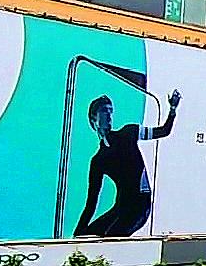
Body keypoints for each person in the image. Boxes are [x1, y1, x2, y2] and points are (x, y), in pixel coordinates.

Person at [72, 90, 181, 237]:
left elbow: (164, 131)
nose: (109, 115)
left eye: (111, 111)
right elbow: (91, 202)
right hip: (121, 207)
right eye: (104, 111)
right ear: (93, 119)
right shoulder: (98, 160)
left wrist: (172, 109)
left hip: (140, 205)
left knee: (111, 238)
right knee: (89, 233)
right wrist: (75, 236)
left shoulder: (129, 132)